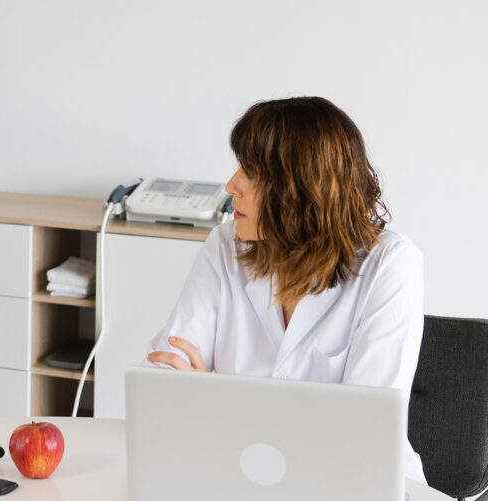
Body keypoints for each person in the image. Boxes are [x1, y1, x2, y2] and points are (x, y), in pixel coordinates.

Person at [146, 96, 426, 481]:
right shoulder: (226, 245)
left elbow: (364, 431)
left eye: (251, 172)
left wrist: (213, 403)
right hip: (235, 473)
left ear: (300, 190)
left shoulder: (390, 264)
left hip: (356, 485)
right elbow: (163, 379)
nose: (231, 185)